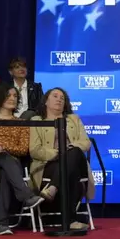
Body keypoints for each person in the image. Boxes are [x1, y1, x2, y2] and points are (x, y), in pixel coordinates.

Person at [0, 83, 44, 234]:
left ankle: (1, 224)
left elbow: (23, 149)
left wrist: (3, 148)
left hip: (12, 163)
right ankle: (25, 196)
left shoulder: (21, 124)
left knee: (7, 168)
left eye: (15, 96)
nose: (12, 99)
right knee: (5, 160)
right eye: (8, 95)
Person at [29, 87, 93, 231]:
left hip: (76, 161)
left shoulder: (73, 119)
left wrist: (69, 149)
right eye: (55, 96)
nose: (59, 99)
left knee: (74, 152)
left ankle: (52, 187)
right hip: (49, 164)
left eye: (62, 98)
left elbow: (86, 143)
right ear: (46, 101)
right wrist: (58, 154)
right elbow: (34, 150)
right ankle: (70, 220)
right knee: (70, 173)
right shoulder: (37, 120)